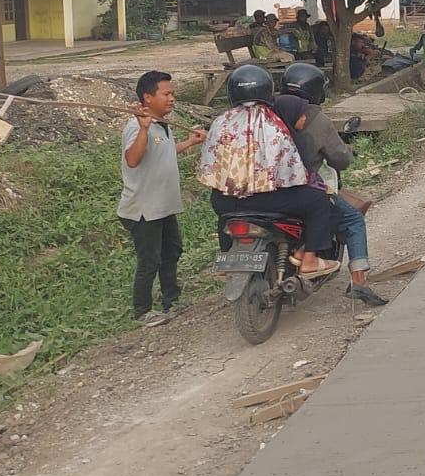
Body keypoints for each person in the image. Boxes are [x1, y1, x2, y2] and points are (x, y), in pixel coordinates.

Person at [198, 64, 339, 278]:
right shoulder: (273, 123)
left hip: (225, 201)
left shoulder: (220, 123)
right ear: (268, 90)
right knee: (319, 200)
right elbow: (290, 169)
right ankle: (309, 259)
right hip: (267, 200)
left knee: (226, 213)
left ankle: (227, 255)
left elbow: (209, 167)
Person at [275, 63, 386, 307]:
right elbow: (340, 159)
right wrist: (347, 150)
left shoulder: (269, 110)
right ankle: (359, 282)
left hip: (265, 190)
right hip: (303, 189)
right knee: (353, 219)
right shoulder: (314, 117)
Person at [118, 71, 207, 326]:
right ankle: (142, 311)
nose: (172, 99)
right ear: (147, 97)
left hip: (163, 207)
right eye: (166, 94)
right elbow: (133, 160)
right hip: (144, 209)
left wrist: (189, 142)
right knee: (150, 260)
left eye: (173, 94)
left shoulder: (161, 124)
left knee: (172, 251)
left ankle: (172, 299)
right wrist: (144, 129)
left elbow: (163, 152)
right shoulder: (137, 126)